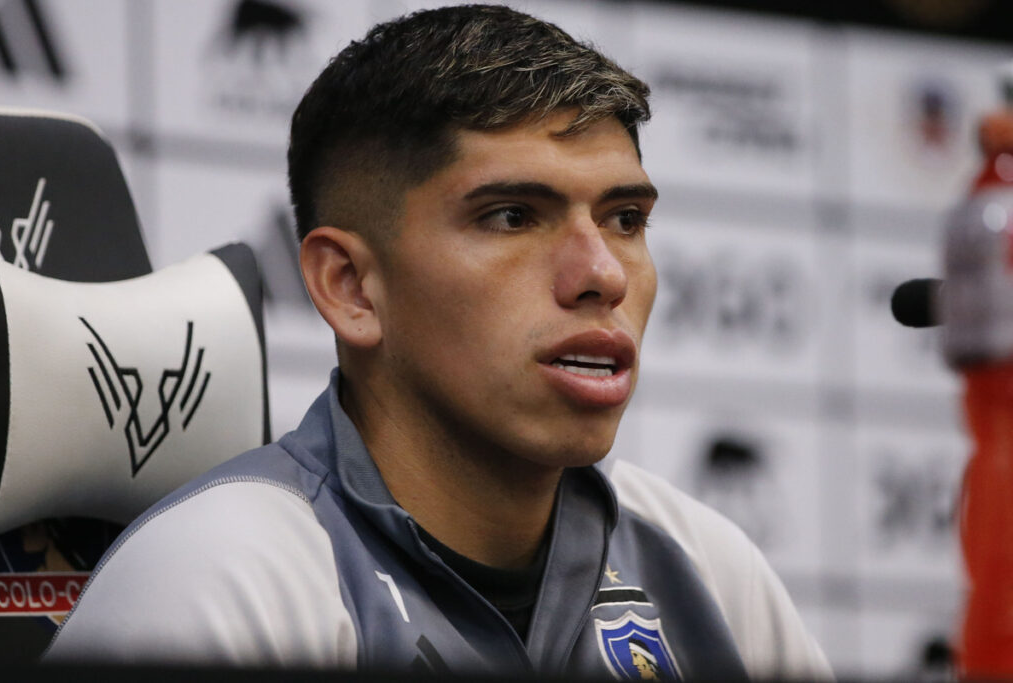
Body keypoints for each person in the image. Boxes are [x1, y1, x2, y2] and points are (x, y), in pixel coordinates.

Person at [45, 4, 830, 678]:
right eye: (512, 216)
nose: (602, 274)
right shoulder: (219, 580)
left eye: (625, 219)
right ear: (351, 286)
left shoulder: (705, 567)